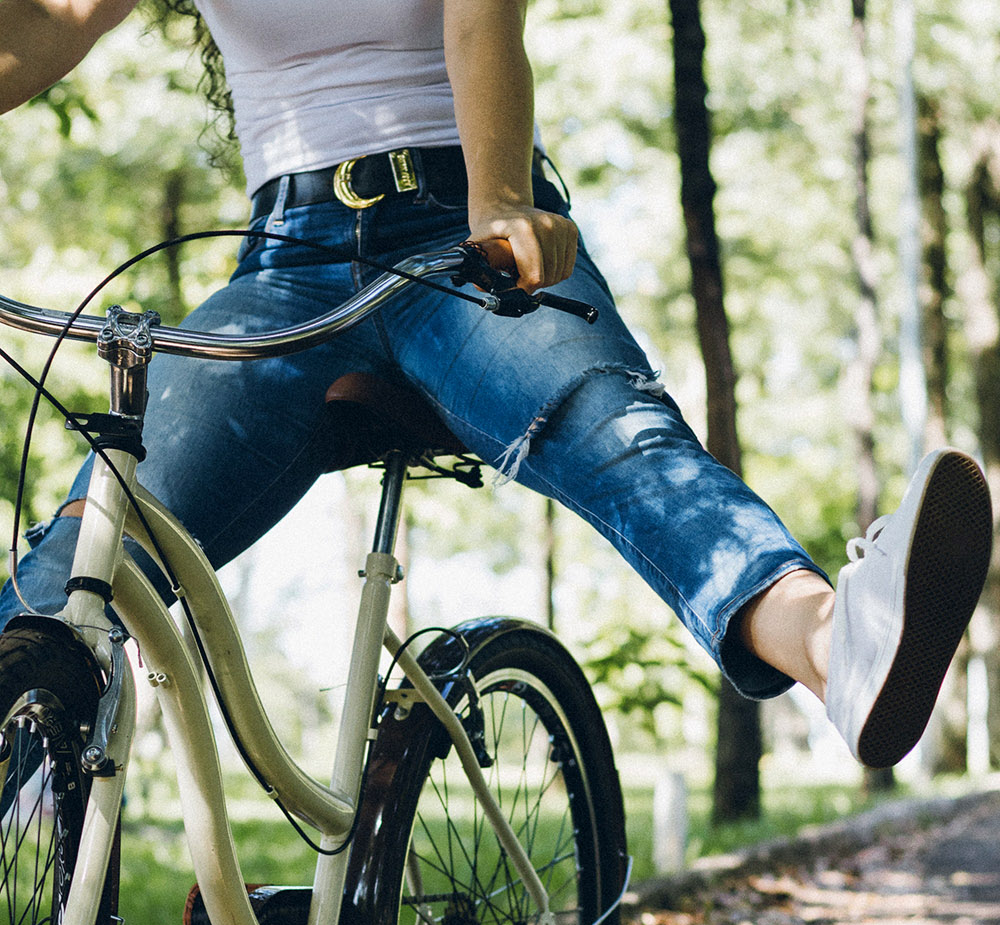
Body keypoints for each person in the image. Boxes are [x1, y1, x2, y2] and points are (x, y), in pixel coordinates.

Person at [0, 0, 992, 771]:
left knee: (616, 437)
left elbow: (480, 22)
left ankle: (836, 645)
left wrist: (501, 199)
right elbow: (45, 27)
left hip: (457, 223)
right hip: (281, 263)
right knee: (79, 567)